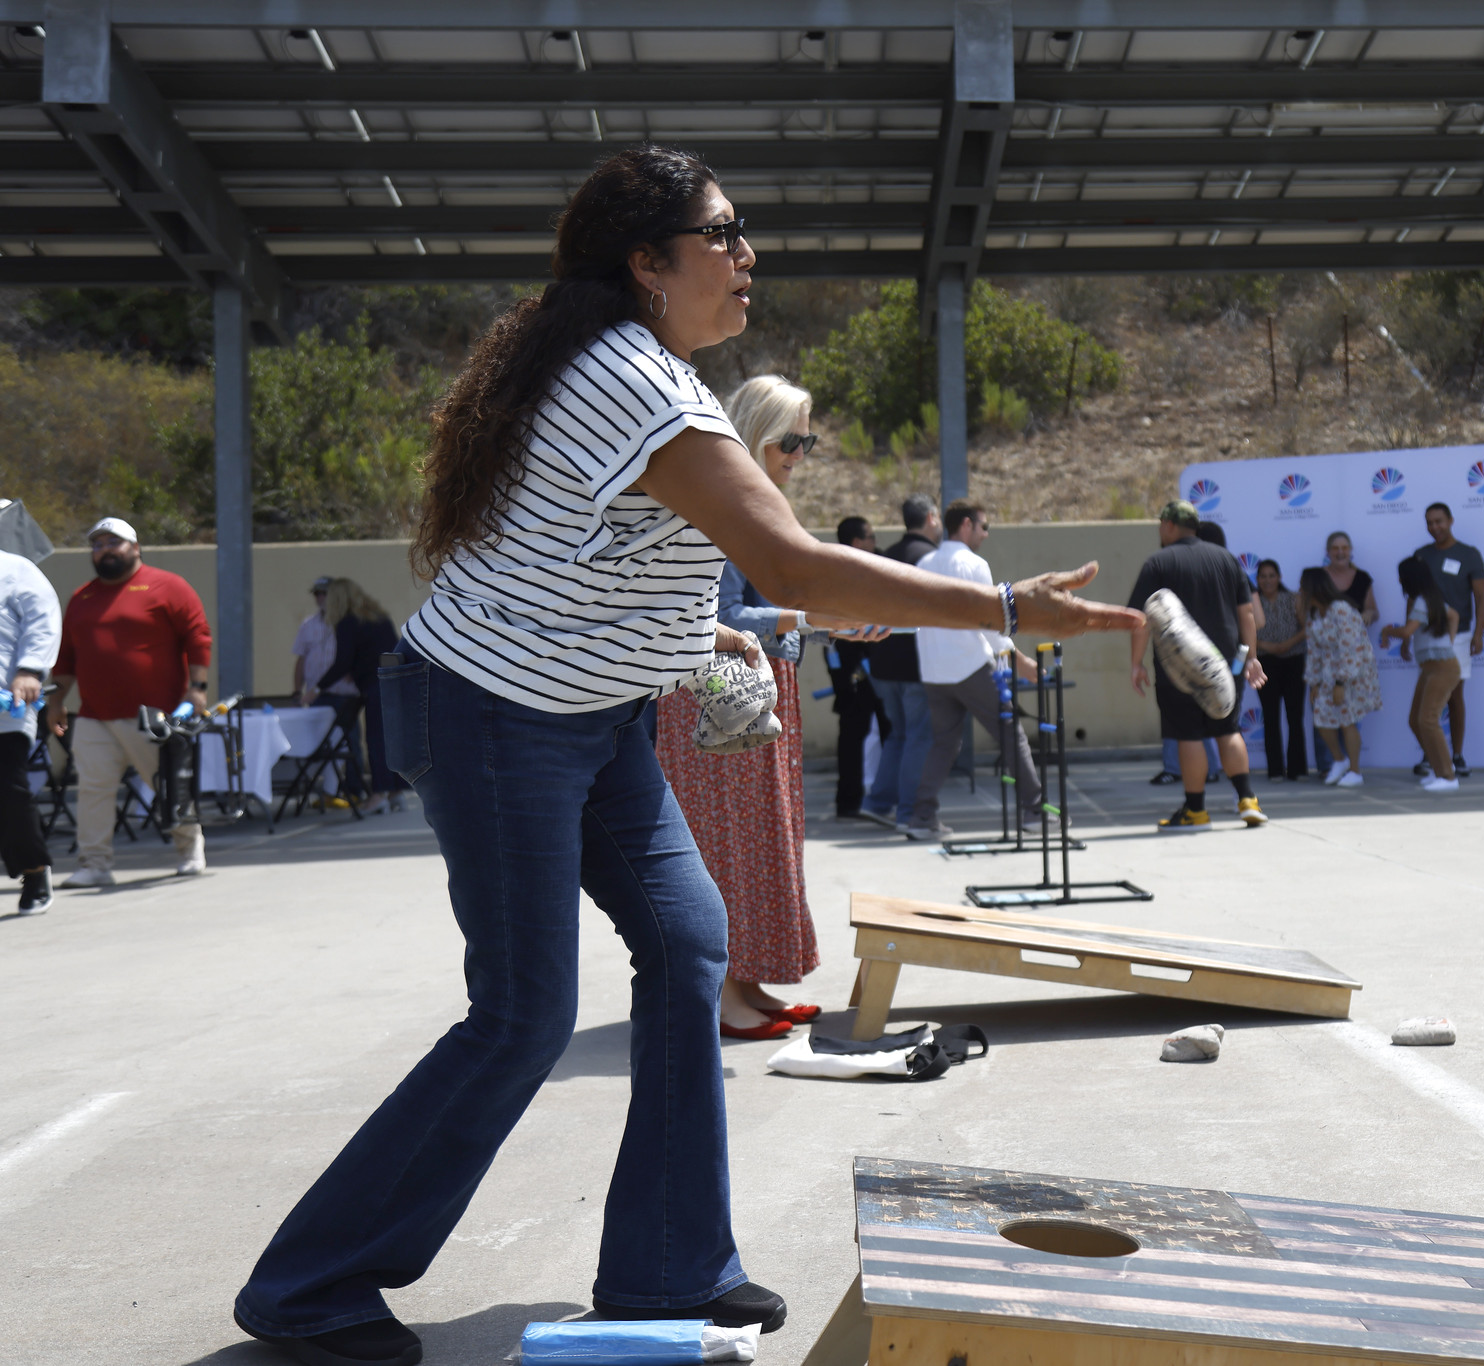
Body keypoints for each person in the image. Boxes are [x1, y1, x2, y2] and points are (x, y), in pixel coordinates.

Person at [232, 145, 1137, 1366]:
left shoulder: (640, 368)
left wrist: (734, 620)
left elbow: (604, 559)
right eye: (723, 233)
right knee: (522, 1013)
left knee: (687, 937)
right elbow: (790, 559)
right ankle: (310, 1285)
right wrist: (1007, 608)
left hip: (592, 716)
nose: (747, 253)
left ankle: (667, 1262)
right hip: (491, 713)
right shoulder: (631, 380)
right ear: (646, 265)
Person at [656, 375, 875, 1038]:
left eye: (808, 441)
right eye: (790, 440)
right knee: (725, 847)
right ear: (754, 434)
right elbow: (719, 616)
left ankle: (744, 981)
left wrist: (822, 618)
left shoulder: (752, 503)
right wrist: (813, 617)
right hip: (720, 702)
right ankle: (722, 995)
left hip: (747, 699)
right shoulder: (724, 505)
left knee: (754, 845)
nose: (799, 454)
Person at [46, 517, 212, 884]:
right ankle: (94, 864)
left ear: (134, 548)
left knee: (168, 783)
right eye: (98, 544)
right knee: (92, 789)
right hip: (93, 715)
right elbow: (67, 656)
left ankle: (190, 847)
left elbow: (197, 636)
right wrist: (57, 700)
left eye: (113, 543)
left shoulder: (169, 587)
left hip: (153, 716)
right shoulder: (82, 597)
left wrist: (197, 687)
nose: (104, 550)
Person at [906, 500, 1043, 841]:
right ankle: (1036, 811)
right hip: (969, 666)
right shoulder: (974, 565)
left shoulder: (924, 562)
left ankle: (922, 817)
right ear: (966, 525)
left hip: (934, 670)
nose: (984, 534)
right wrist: (1020, 662)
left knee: (944, 744)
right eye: (983, 527)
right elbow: (991, 623)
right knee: (1011, 735)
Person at [1128, 499, 1268, 829]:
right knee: (1227, 728)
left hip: (1177, 668)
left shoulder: (1158, 563)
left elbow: (1141, 619)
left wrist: (1136, 664)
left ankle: (1196, 810)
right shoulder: (1226, 559)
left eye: (1162, 523)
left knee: (1187, 734)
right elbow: (1247, 613)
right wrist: (1251, 659)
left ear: (1170, 526)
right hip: (1228, 665)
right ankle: (1247, 799)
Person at [859, 494, 941, 831]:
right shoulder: (931, 560)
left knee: (897, 735)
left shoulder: (886, 557)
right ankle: (909, 812)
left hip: (882, 665)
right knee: (919, 738)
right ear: (931, 518)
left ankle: (878, 802)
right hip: (914, 666)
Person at [0, 546, 59, 914]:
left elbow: (43, 620)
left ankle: (34, 870)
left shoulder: (15, 569)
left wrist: (30, 668)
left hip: (7, 703)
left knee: (8, 791)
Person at [313, 577, 403, 814]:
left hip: (374, 685)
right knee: (389, 739)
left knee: (375, 740)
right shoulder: (378, 617)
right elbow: (390, 648)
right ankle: (395, 792)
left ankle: (379, 794)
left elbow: (342, 661)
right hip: (393, 682)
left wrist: (317, 688)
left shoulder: (348, 621)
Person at [1414, 504, 1484, 778]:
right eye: (1429, 522)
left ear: (1450, 520)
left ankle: (1456, 755)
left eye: (1439, 522)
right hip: (1426, 635)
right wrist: (1407, 634)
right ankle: (1431, 755)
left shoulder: (1468, 554)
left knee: (1453, 696)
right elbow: (1412, 596)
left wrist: (1479, 633)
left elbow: (1481, 597)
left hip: (1461, 634)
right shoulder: (1422, 555)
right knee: (1427, 699)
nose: (1435, 527)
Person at [1381, 556, 1461, 793]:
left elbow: (1407, 631)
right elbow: (1454, 616)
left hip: (1442, 667)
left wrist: (1387, 631)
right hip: (1431, 667)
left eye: (1401, 575)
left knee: (1427, 720)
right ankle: (1440, 772)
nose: (1398, 579)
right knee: (1416, 721)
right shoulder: (1430, 599)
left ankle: (1448, 777)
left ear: (1409, 578)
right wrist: (1450, 640)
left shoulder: (1422, 602)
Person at [827, 515, 889, 820]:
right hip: (856, 671)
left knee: (860, 734)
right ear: (857, 543)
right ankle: (854, 801)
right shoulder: (850, 576)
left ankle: (855, 800)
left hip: (852, 668)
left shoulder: (837, 572)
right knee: (861, 734)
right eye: (871, 538)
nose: (875, 544)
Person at [1303, 568, 1378, 788]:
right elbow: (1314, 650)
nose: (1300, 590)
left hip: (1351, 673)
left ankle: (1355, 771)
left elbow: (1352, 649)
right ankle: (1339, 760)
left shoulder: (1341, 610)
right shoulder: (1316, 613)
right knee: (1322, 718)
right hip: (1327, 673)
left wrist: (1341, 683)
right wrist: (1314, 682)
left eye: (1303, 586)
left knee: (1347, 721)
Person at [1253, 561, 1309, 780]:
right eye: (1263, 576)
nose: (1267, 580)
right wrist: (1269, 647)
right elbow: (1245, 632)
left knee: (1295, 716)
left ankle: (1298, 768)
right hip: (1265, 663)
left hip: (1294, 660)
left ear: (1279, 577)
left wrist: (1288, 644)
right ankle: (1275, 769)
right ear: (1257, 580)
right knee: (1270, 716)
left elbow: (1307, 627)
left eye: (1271, 575)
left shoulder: (1294, 598)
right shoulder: (1252, 601)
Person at [289, 577, 335, 705]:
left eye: (324, 594)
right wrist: (297, 690)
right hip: (315, 695)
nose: (320, 598)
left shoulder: (347, 623)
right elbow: (301, 659)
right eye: (317, 594)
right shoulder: (307, 625)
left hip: (343, 694)